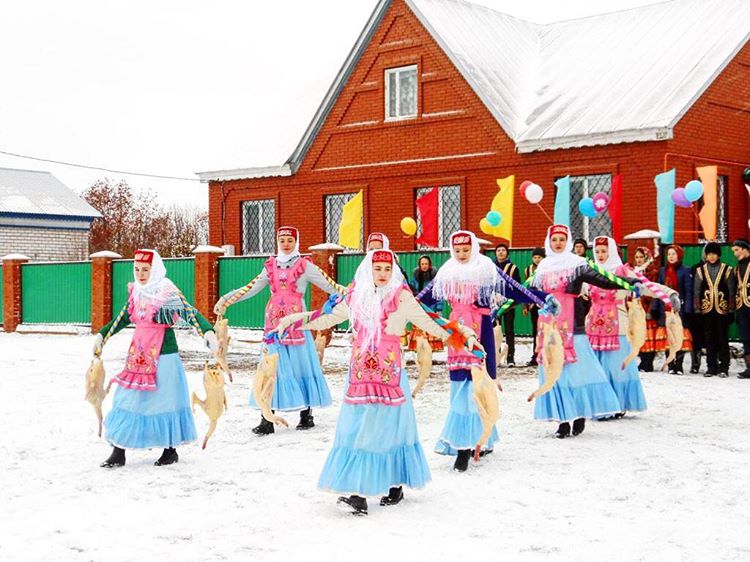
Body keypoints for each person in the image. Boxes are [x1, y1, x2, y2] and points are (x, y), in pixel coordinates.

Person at [276, 249, 477, 516]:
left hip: (389, 376)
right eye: (377, 268)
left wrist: (462, 333)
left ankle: (382, 488)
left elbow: (430, 322)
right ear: (368, 270)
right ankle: (364, 490)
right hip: (361, 375)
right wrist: (294, 320)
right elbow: (328, 317)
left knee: (388, 430)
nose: (382, 274)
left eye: (387, 269)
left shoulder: (401, 296)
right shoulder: (357, 297)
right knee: (356, 428)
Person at [431, 231, 548, 469]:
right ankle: (468, 442)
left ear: (474, 249)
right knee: (460, 387)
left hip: (481, 332)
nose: (462, 255)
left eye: (466, 250)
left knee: (478, 386)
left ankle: (470, 444)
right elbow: (421, 298)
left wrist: (543, 298)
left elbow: (514, 289)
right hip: (457, 336)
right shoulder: (447, 272)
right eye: (458, 251)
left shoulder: (485, 270)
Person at [93, 249, 218, 468]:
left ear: (155, 269)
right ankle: (118, 450)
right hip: (138, 356)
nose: (141, 274)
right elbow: (121, 318)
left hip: (164, 356)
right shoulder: (137, 292)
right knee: (127, 398)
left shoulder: (166, 292)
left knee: (165, 401)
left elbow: (190, 313)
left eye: (145, 270)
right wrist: (103, 335)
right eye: (137, 269)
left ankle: (170, 450)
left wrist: (207, 331)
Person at [214, 227, 345, 434]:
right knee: (269, 367)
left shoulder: (305, 265)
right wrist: (227, 300)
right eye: (282, 240)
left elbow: (329, 284)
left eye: (290, 240)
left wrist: (356, 293)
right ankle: (267, 417)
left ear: (296, 242)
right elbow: (251, 287)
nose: (286, 244)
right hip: (273, 323)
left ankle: (306, 413)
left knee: (301, 365)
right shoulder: (270, 266)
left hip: (297, 323)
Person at [532, 226, 634, 438]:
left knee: (574, 374)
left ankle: (578, 414)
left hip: (573, 326)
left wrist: (629, 282)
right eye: (554, 239)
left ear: (567, 241)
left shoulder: (577, 265)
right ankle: (562, 420)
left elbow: (602, 280)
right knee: (555, 375)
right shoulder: (542, 267)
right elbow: (531, 293)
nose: (558, 243)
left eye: (562, 239)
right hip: (548, 327)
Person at [587, 237, 678, 416]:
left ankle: (619, 404)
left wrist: (670, 294)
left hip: (618, 325)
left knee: (616, 367)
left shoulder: (623, 271)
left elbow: (646, 286)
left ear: (612, 252)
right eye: (597, 252)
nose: (600, 255)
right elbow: (570, 289)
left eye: (604, 251)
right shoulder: (591, 272)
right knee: (597, 368)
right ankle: (600, 405)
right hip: (594, 327)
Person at [693, 242, 736, 377]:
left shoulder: (727, 269)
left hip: (722, 310)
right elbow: (697, 290)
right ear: (706, 255)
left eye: (714, 254)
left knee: (722, 338)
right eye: (709, 254)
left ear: (718, 255)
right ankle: (711, 367)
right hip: (706, 309)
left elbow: (731, 290)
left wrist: (730, 309)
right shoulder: (700, 270)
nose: (711, 257)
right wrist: (697, 309)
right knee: (709, 338)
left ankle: (724, 367)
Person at [652, 245, 693, 374]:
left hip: (678, 309)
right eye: (669, 254)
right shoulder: (663, 271)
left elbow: (688, 291)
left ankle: (679, 365)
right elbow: (657, 290)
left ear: (679, 255)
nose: (671, 256)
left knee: (678, 336)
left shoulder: (685, 271)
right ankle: (670, 364)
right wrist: (655, 307)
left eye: (673, 254)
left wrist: (687, 309)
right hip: (665, 309)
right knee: (668, 336)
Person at [631, 247, 660, 372]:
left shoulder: (652, 272)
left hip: (647, 308)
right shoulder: (632, 272)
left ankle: (648, 362)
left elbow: (655, 291)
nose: (638, 260)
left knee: (648, 336)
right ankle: (642, 361)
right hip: (636, 307)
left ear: (647, 257)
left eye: (641, 257)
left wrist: (650, 308)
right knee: (639, 335)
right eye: (636, 257)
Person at [408, 255, 444, 352]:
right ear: (419, 265)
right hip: (420, 308)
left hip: (431, 307)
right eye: (422, 264)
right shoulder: (415, 277)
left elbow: (438, 295)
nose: (424, 266)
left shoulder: (434, 279)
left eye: (426, 264)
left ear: (430, 265)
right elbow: (412, 292)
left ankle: (432, 347)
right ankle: (419, 346)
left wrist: (439, 309)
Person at [494, 242, 521, 366]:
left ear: (507, 253)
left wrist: (513, 300)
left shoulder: (513, 268)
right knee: (495, 331)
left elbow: (517, 286)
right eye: (498, 250)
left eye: (503, 250)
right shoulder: (491, 267)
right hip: (494, 303)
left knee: (509, 330)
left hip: (509, 303)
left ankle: (510, 357)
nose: (500, 252)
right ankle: (496, 355)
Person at [523, 247, 545, 366]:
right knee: (535, 330)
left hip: (545, 303)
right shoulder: (528, 270)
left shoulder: (547, 268)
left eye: (539, 257)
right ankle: (535, 354)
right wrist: (525, 306)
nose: (537, 260)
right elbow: (525, 288)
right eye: (535, 257)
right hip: (533, 304)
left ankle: (546, 353)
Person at [732, 239, 750, 378]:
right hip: (742, 308)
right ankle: (749, 368)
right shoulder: (737, 268)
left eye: (737, 250)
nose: (735, 254)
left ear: (745, 249)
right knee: (746, 338)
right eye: (734, 251)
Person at [687, 255, 707, 374]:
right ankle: (695, 364)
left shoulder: (721, 268)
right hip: (696, 309)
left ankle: (713, 363)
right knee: (695, 338)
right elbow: (691, 289)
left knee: (712, 337)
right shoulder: (695, 268)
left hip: (713, 308)